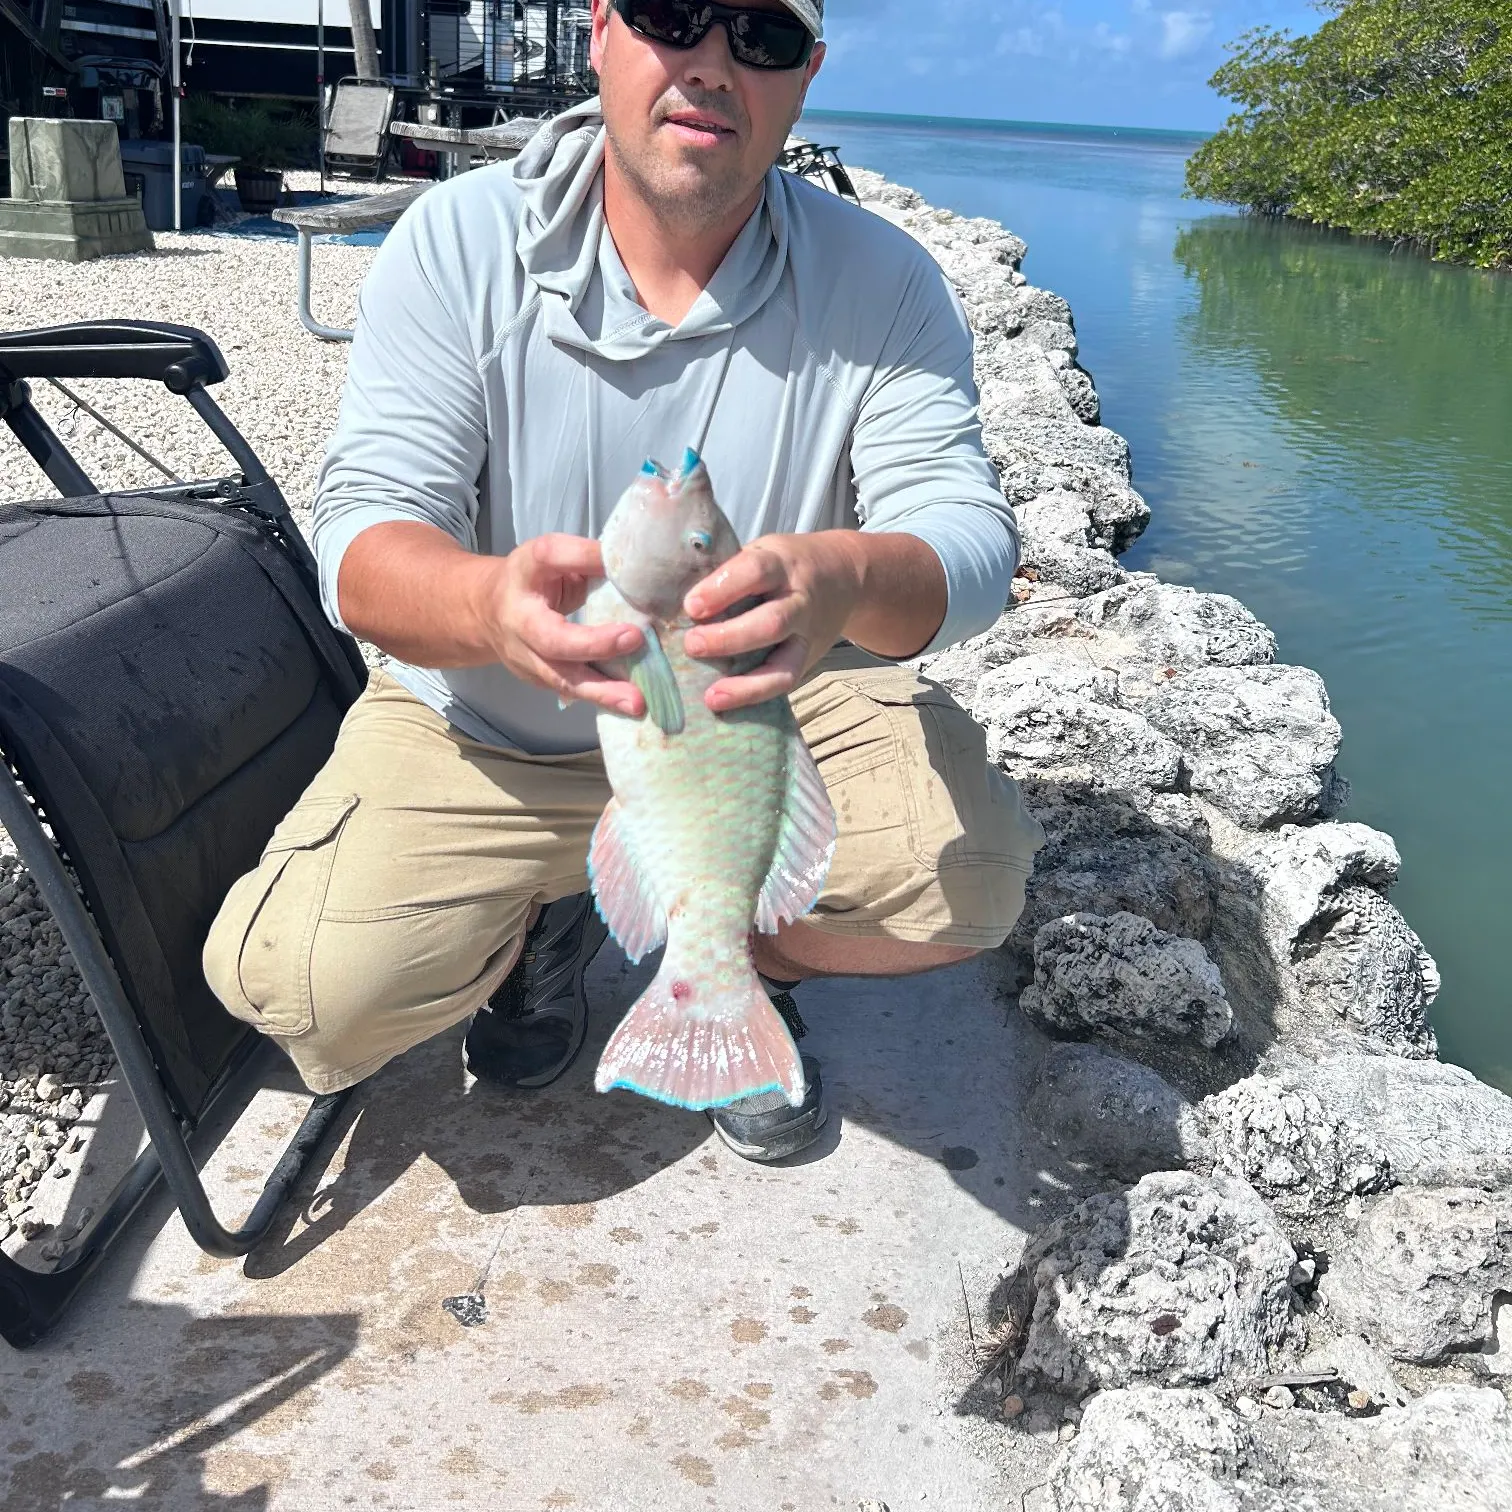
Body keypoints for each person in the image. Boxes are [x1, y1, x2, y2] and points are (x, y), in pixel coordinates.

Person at [203, 0, 1044, 1162]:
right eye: (670, 14)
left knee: (973, 884)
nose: (710, 64)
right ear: (600, 31)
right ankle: (534, 922)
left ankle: (733, 964)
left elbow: (971, 547)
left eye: (761, 37)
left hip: (767, 726)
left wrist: (843, 578)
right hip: (486, 724)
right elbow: (360, 542)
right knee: (301, 986)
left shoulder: (886, 281)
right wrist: (487, 611)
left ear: (806, 77)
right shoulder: (455, 243)